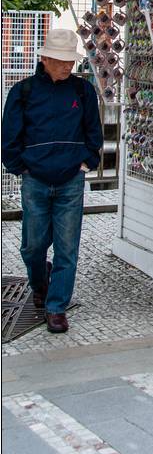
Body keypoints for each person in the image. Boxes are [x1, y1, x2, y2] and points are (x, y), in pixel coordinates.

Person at [2, 29, 104, 333]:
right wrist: (21, 167)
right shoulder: (23, 91)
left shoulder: (83, 91)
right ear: (44, 59)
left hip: (71, 179)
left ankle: (57, 307)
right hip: (35, 179)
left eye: (69, 61)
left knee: (67, 247)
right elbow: (9, 135)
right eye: (60, 61)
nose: (66, 66)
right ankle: (39, 283)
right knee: (32, 246)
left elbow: (93, 132)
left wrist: (87, 162)